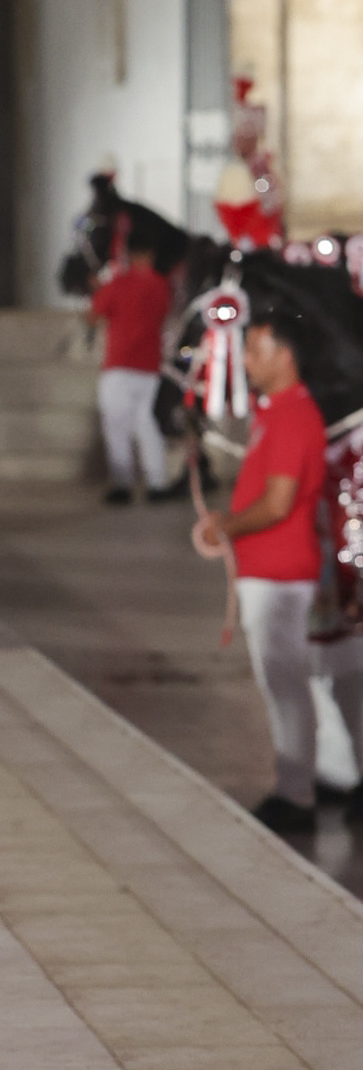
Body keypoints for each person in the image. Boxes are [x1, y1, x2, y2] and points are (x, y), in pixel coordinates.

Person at [196, 306, 331, 835]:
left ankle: (297, 792)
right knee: (285, 679)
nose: (246, 360)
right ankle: (308, 778)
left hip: (280, 573)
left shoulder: (294, 415)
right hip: (268, 570)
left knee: (285, 681)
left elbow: (278, 504)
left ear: (286, 355)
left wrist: (227, 526)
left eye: (255, 349)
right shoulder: (275, 411)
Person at [91, 223, 185, 503]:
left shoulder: (118, 284)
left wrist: (96, 289)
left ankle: (122, 484)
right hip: (149, 366)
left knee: (117, 426)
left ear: (129, 254)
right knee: (146, 424)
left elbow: (93, 315)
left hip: (119, 365)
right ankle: (157, 483)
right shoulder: (161, 286)